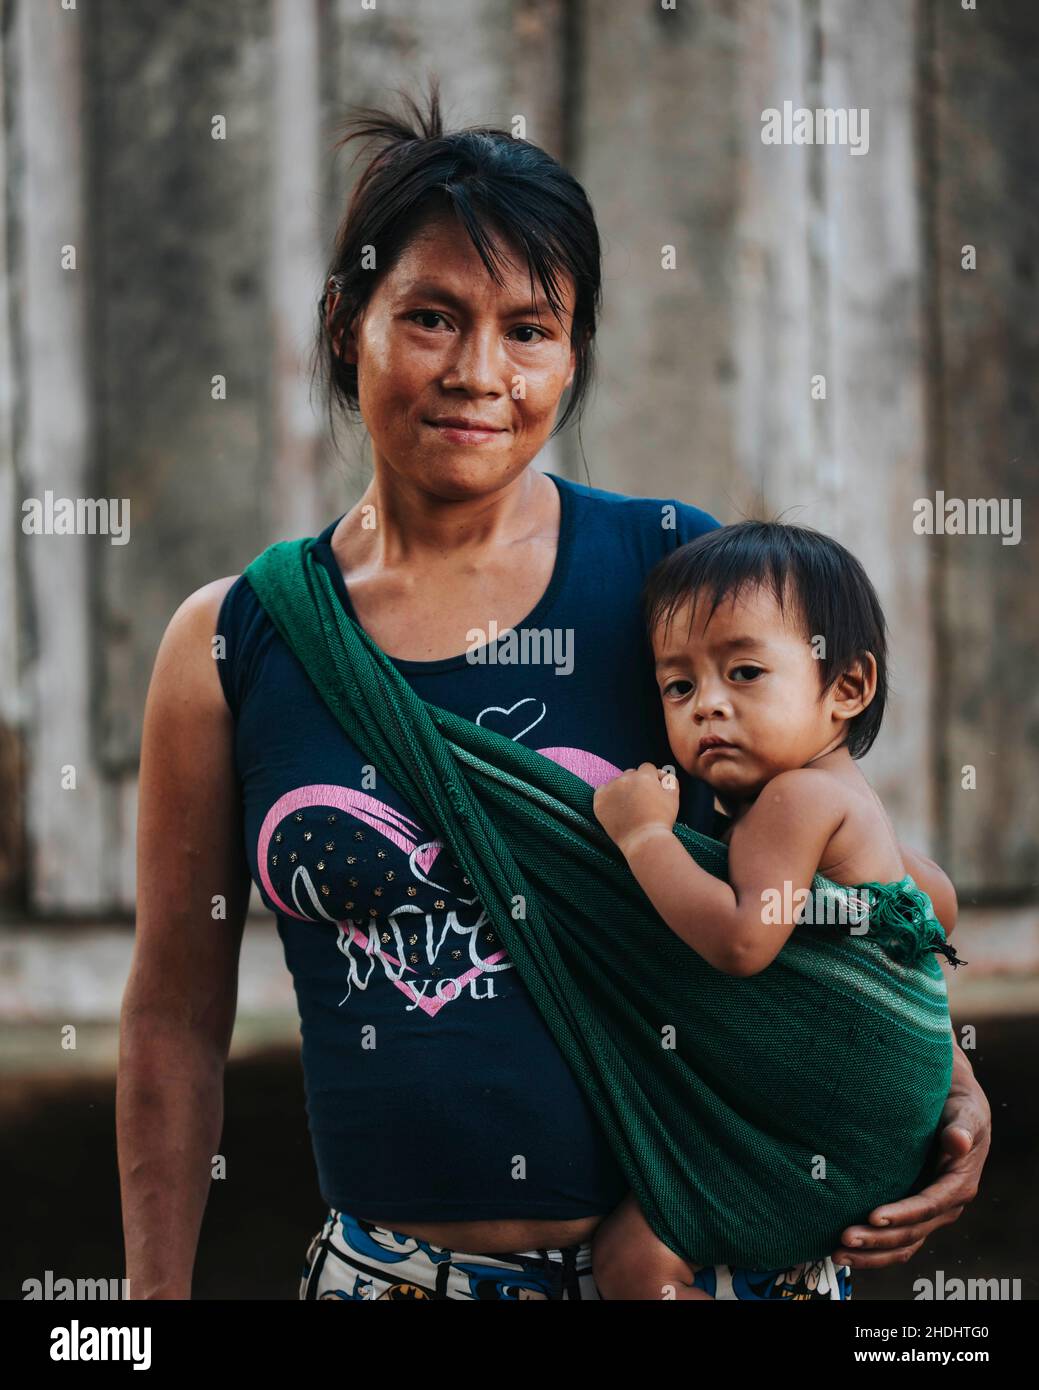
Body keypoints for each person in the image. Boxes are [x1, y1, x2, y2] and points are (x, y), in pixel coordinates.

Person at [118, 83, 991, 1302]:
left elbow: (860, 878)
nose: (481, 371)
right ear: (342, 323)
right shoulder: (239, 637)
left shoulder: (676, 585)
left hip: (707, 1266)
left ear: (571, 356)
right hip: (399, 1278)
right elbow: (170, 1018)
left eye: (531, 328)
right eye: (430, 316)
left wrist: (938, 1077)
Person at [590, 522, 963, 1299]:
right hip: (887, 1130)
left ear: (846, 689)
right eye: (679, 686)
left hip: (837, 1136)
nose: (706, 707)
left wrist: (643, 837)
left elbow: (738, 942)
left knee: (633, 1260)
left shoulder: (792, 801)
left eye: (746, 672)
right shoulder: (848, 801)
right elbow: (936, 908)